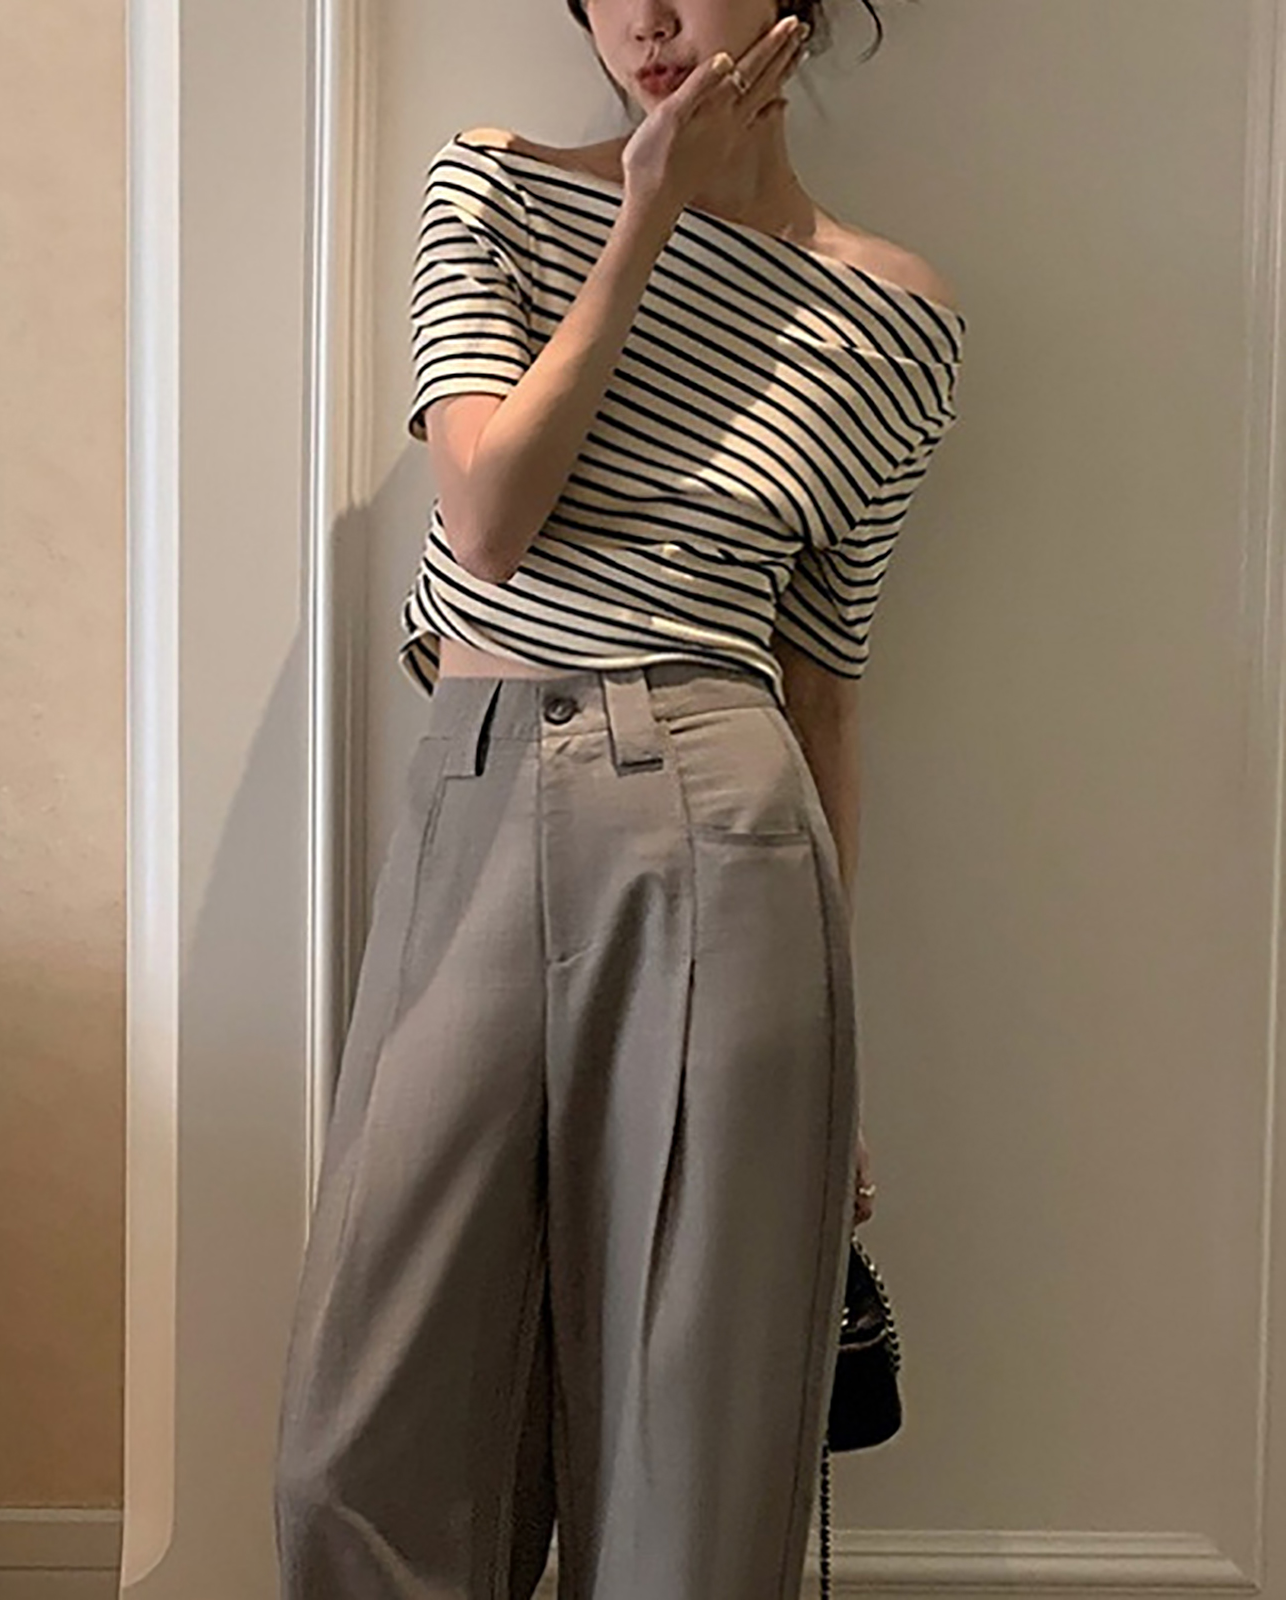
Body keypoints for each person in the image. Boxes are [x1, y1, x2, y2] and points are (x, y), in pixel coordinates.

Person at [274, 1, 964, 1594]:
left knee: (688, 1438)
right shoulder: (497, 187)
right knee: (352, 1449)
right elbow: (490, 515)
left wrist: (844, 1057)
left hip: (725, 819)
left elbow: (826, 682)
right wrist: (648, 213)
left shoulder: (894, 313)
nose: (643, 18)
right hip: (475, 785)